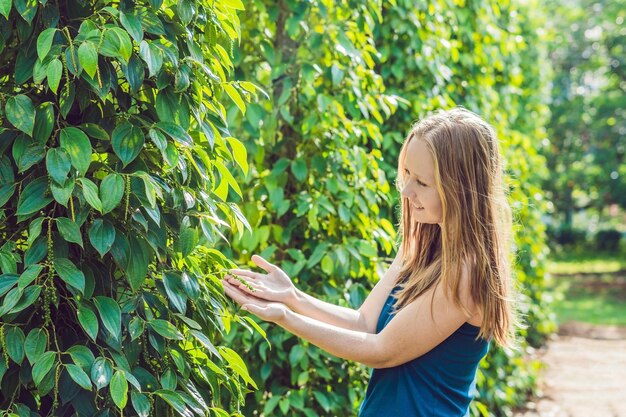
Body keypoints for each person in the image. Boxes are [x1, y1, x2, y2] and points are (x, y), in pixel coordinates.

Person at [221, 107, 517, 417]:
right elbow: (364, 323)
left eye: (422, 183)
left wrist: (284, 317)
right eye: (407, 176)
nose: (406, 190)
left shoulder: (466, 273)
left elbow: (380, 351)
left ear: (460, 189)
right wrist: (292, 297)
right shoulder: (419, 249)